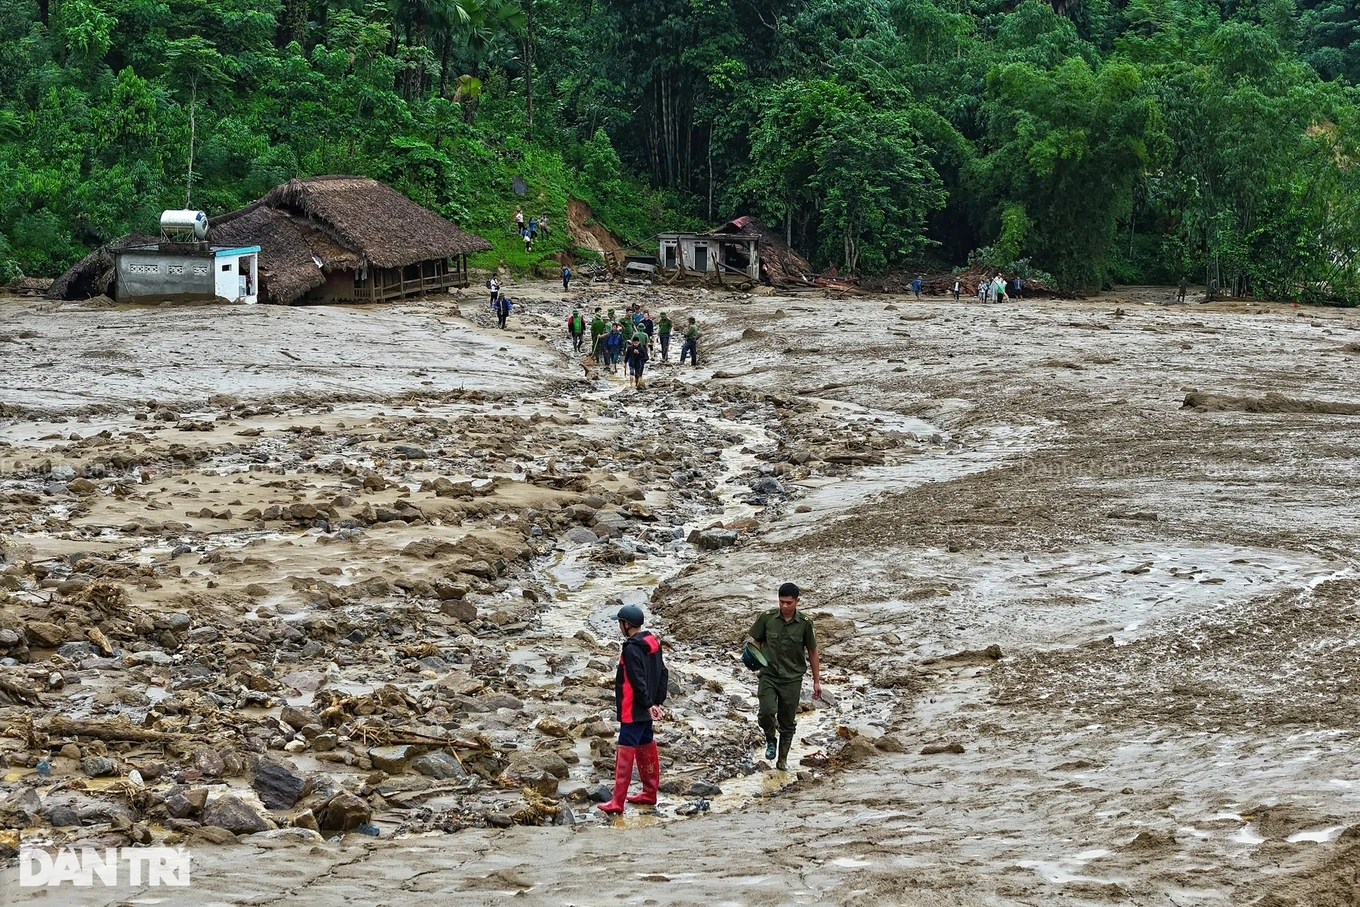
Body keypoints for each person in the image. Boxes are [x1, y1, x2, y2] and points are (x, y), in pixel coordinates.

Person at [598, 604, 668, 814]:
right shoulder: (653, 642)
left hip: (633, 708)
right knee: (646, 743)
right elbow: (663, 673)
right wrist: (656, 702)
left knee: (626, 749)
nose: (619, 626)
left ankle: (617, 801)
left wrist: (647, 704)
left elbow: (636, 680)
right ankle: (649, 792)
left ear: (627, 625)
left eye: (620, 623)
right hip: (647, 707)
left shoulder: (630, 649)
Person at [747, 582, 821, 772]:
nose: (785, 606)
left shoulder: (805, 623)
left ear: (797, 601)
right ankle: (771, 739)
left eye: (789, 603)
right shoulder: (767, 618)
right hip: (769, 675)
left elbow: (812, 651)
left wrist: (816, 681)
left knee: (787, 721)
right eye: (781, 602)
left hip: (792, 678)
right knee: (765, 712)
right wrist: (752, 656)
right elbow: (756, 640)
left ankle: (782, 759)